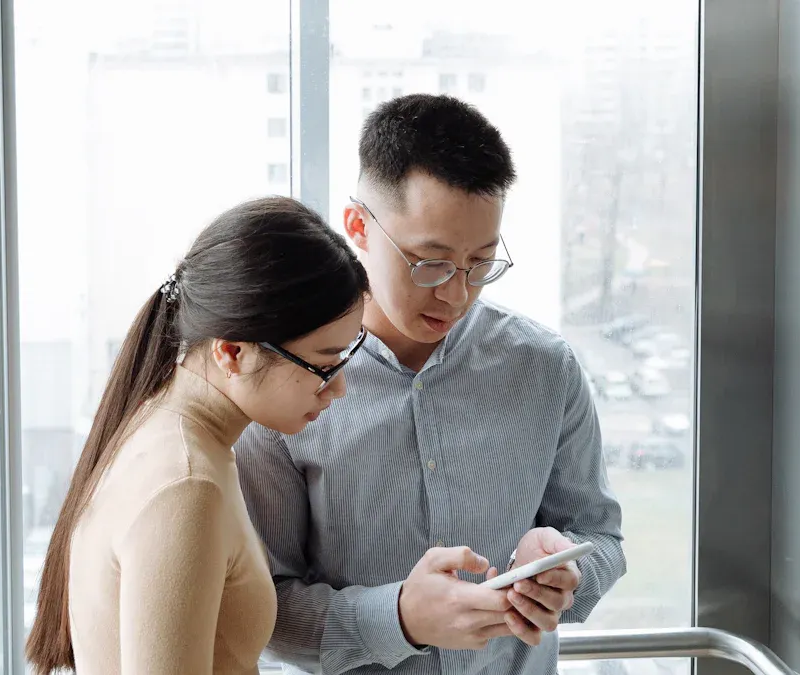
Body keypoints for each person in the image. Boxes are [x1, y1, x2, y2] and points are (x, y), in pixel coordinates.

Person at [235, 94, 627, 675]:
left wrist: (568, 575)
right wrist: (398, 619)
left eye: (480, 262)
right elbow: (261, 609)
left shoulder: (547, 368)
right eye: (431, 261)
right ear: (358, 227)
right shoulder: (286, 382)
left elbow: (600, 537)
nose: (456, 292)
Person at [25, 196, 371, 675]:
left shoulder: (164, 427)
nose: (339, 388)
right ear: (233, 352)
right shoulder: (186, 486)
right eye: (324, 365)